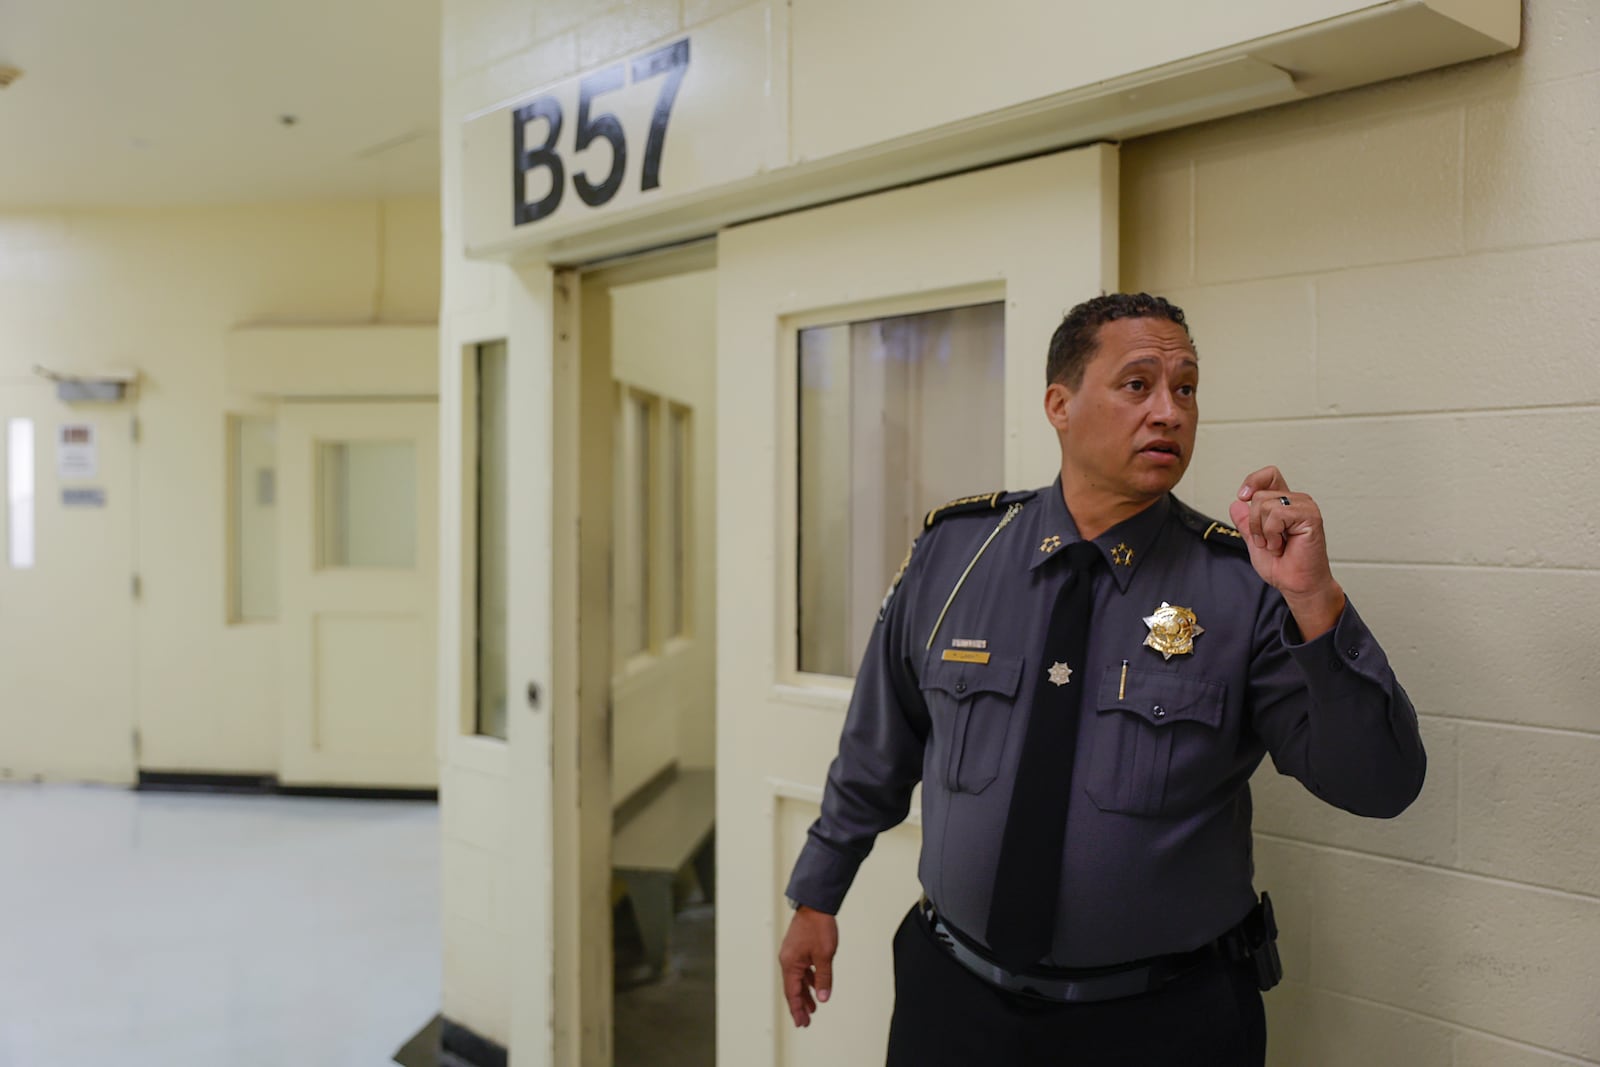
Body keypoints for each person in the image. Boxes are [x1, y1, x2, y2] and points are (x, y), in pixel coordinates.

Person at [777, 292, 1427, 1065]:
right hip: (954, 1003)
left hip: (1162, 1024)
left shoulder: (1243, 585)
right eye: (1137, 384)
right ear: (1060, 403)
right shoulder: (958, 555)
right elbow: (877, 747)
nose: (1169, 411)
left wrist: (1315, 599)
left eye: (1185, 387)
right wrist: (818, 893)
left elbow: (1380, 784)